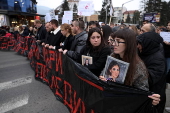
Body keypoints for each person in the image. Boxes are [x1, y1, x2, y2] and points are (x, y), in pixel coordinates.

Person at [99, 28, 160, 106]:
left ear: (128, 43)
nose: (114, 44)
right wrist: (104, 79)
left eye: (118, 41)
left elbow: (141, 92)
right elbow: (103, 75)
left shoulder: (138, 66)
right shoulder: (112, 57)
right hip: (109, 101)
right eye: (113, 40)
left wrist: (151, 99)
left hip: (124, 105)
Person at [137, 32, 166, 113]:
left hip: (154, 97)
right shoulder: (144, 52)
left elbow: (150, 79)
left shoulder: (158, 59)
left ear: (148, 44)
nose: (138, 46)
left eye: (140, 43)